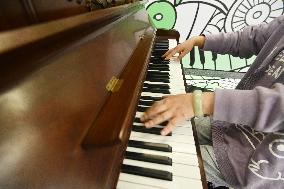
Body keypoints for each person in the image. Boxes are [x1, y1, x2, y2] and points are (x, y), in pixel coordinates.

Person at [140, 15, 284, 188]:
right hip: (234, 125)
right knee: (158, 128)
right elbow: (248, 39)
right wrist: (198, 41)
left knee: (158, 159)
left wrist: (199, 102)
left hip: (254, 160)